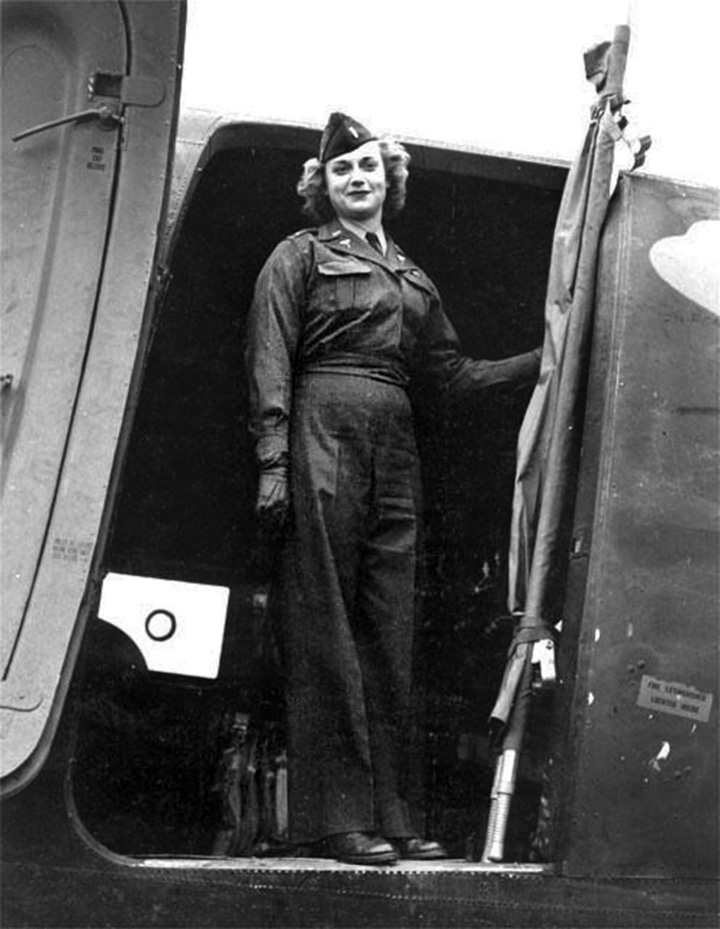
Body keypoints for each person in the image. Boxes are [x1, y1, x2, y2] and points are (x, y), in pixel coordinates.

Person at [245, 112, 541, 866]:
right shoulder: (299, 256)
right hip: (323, 428)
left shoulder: (413, 280)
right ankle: (336, 819)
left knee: (389, 633)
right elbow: (270, 355)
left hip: (394, 447)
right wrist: (275, 459)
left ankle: (393, 813)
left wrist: (545, 359)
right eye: (342, 170)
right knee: (326, 628)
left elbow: (450, 375)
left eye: (369, 167)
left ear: (389, 179)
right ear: (324, 185)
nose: (357, 179)